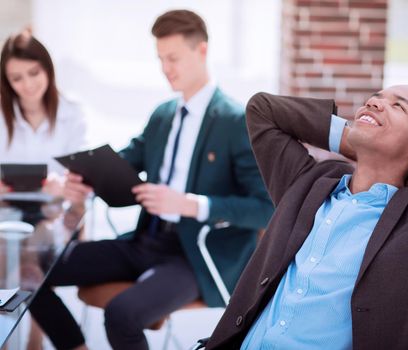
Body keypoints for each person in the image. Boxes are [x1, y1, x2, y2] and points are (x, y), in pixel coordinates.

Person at [204, 85, 408, 349]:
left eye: (398, 106)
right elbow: (263, 110)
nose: (375, 102)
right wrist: (355, 138)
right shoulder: (307, 184)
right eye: (376, 99)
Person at [28, 9, 273, 350]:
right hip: (147, 240)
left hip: (196, 255)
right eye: (160, 59)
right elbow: (123, 163)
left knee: (121, 315)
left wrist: (190, 204)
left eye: (173, 58)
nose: (165, 69)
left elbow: (265, 208)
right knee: (29, 271)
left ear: (201, 51)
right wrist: (83, 180)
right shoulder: (162, 116)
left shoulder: (235, 121)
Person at [0, 30, 86, 196]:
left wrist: (63, 187)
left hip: (57, 214)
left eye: (34, 73)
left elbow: (83, 181)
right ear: (7, 81)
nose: (28, 84)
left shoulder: (73, 113)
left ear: (48, 69)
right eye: (16, 78)